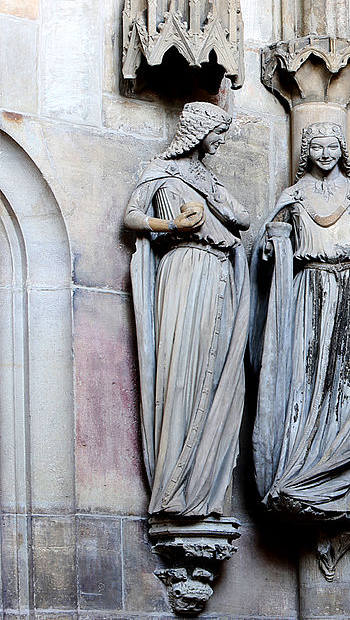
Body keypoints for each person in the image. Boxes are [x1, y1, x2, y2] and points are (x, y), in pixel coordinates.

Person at [251, 122, 350, 521]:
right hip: (309, 289)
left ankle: (339, 470)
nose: (326, 154)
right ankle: (301, 468)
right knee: (304, 379)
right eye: (318, 147)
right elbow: (268, 246)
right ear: (307, 151)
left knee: (345, 384)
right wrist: (272, 246)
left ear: (342, 151)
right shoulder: (293, 196)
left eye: (333, 146)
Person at [123, 101, 251, 517]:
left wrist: (221, 208)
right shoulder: (162, 172)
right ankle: (172, 484)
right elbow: (132, 217)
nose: (221, 142)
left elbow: (243, 218)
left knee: (216, 377)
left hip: (218, 271)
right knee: (182, 373)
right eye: (217, 134)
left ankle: (204, 485)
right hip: (183, 269)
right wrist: (174, 225)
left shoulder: (210, 180)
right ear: (198, 133)